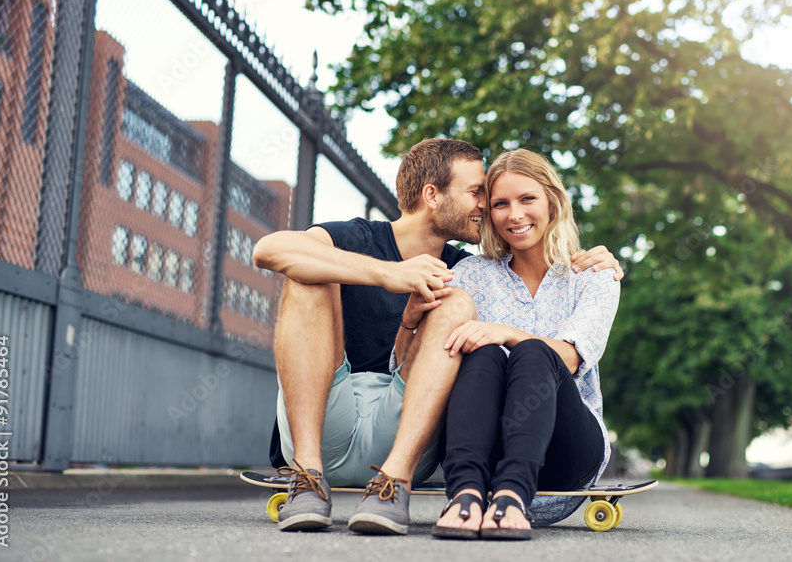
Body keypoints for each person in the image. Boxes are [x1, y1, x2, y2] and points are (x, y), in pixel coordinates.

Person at [252, 138, 623, 536]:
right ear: (432, 195)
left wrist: (600, 265)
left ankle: (399, 484)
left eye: (500, 197)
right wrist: (392, 282)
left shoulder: (481, 272)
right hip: (336, 410)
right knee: (307, 272)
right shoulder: (387, 247)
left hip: (431, 432)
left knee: (488, 326)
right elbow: (270, 249)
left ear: (552, 201)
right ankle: (311, 479)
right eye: (482, 195)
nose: (492, 208)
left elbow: (562, 346)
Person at [430, 149, 620, 540]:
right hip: (486, 452)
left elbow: (569, 357)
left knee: (534, 351)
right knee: (482, 352)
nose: (514, 215)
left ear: (553, 201)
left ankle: (512, 496)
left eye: (527, 199)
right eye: (501, 204)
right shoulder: (470, 275)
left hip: (567, 454)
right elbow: (430, 359)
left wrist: (507, 332)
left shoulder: (594, 276)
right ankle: (464, 494)